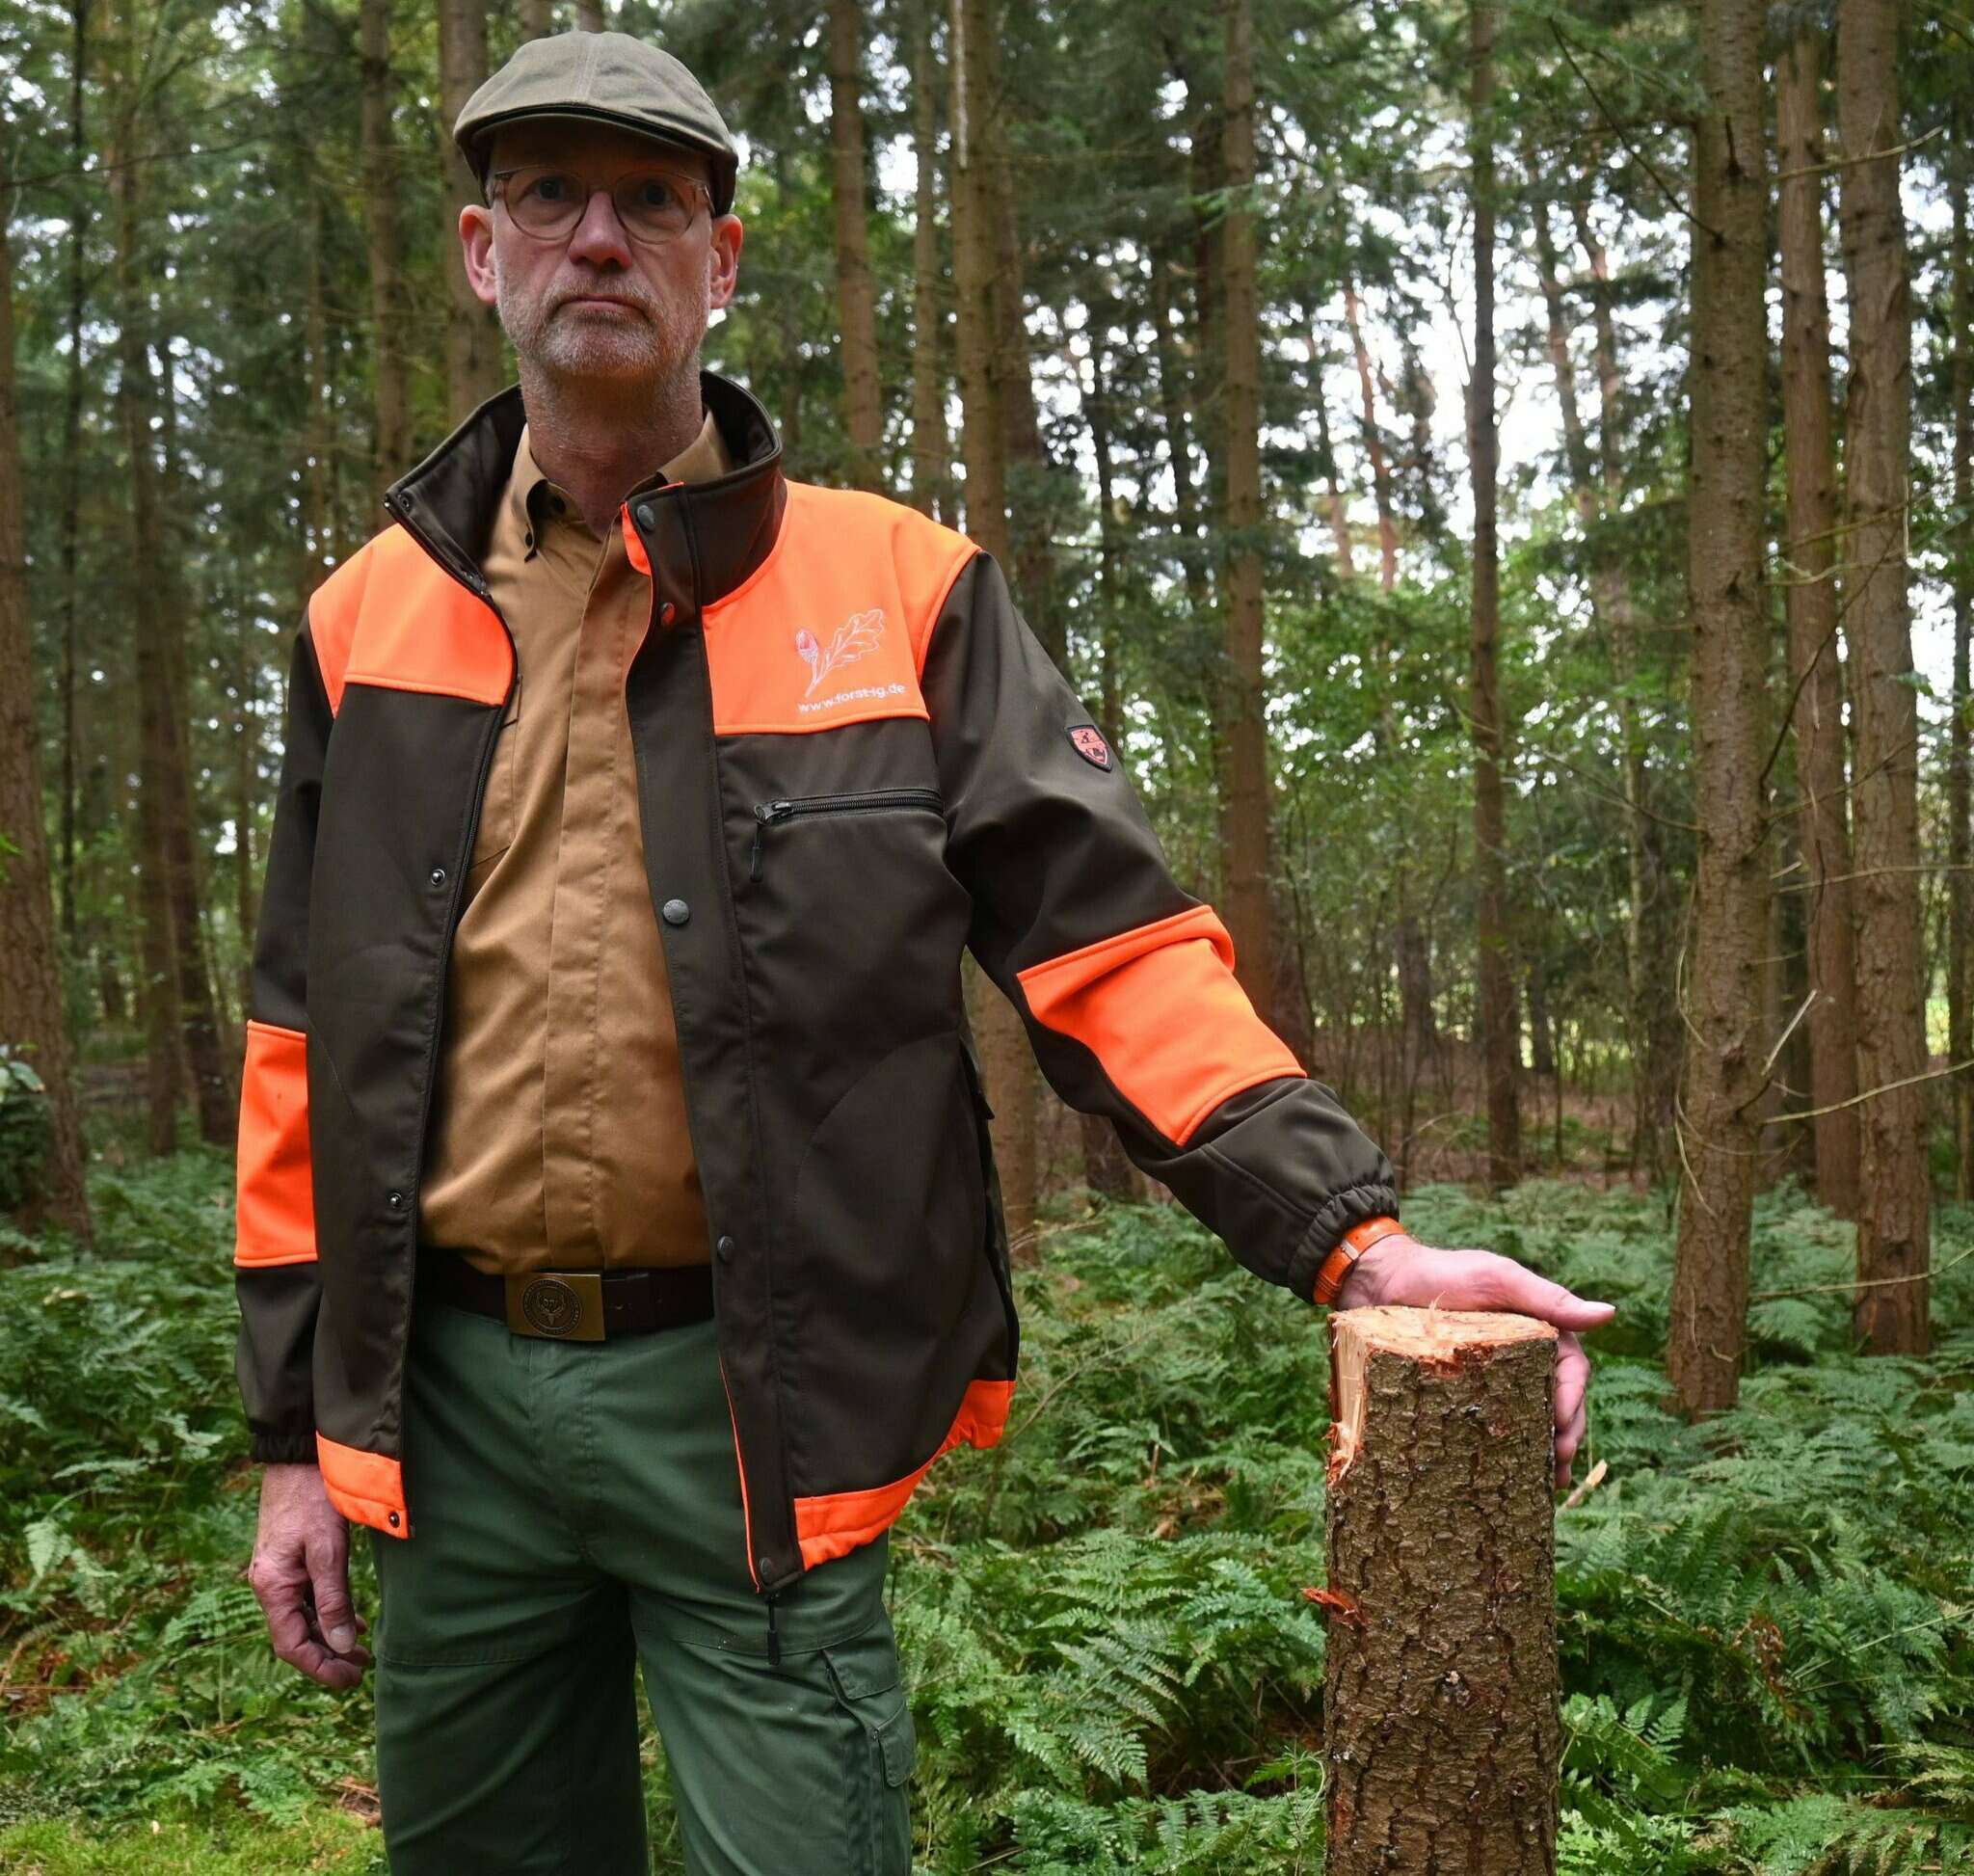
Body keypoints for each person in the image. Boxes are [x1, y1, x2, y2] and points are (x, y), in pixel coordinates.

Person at [232, 29, 1615, 1875]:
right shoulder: (364, 618)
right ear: (485, 253)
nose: (598, 240)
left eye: (652, 200)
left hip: (752, 1403)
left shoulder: (901, 592)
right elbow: (298, 1044)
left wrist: (1354, 1238)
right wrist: (287, 1432)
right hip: (448, 1413)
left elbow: (1117, 952)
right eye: (548, 195)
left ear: (719, 265)